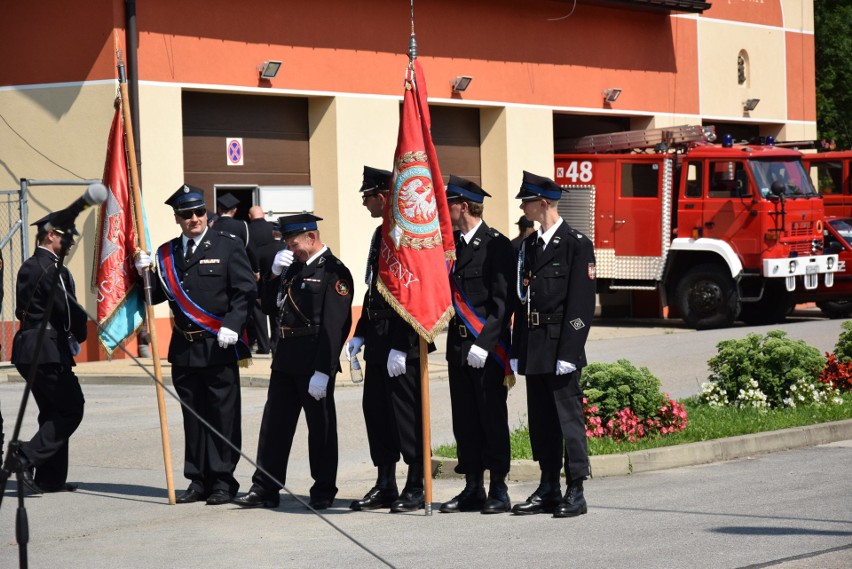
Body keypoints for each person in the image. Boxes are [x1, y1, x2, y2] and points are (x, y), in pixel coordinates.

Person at [134, 184, 256, 505]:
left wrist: (233, 323)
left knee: (222, 417)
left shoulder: (227, 246)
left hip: (218, 346)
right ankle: (198, 479)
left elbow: (245, 290)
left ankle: (222, 480)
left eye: (199, 212)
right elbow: (156, 296)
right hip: (184, 349)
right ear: (177, 218)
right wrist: (142, 274)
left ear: (207, 213)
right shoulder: (168, 253)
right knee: (193, 417)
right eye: (186, 215)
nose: (194, 219)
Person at [233, 213, 353, 510]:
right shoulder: (292, 267)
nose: (289, 249)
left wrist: (323, 371)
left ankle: (324, 489)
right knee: (274, 425)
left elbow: (334, 326)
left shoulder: (334, 272)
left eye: (293, 242)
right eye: (286, 243)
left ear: (311, 238)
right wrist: (272, 275)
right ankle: (265, 487)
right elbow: (270, 307)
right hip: (285, 357)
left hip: (314, 361)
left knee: (321, 429)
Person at [510, 171, 597, 518]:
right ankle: (549, 485)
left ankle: (575, 488)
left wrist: (570, 352)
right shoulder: (530, 246)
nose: (522, 205)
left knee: (568, 420)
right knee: (542, 421)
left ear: (542, 203)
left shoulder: (576, 243)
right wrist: (518, 349)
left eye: (526, 200)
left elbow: (581, 305)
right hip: (534, 345)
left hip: (561, 345)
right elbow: (523, 301)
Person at [345, 166, 429, 513]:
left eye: (367, 197)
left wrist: (402, 342)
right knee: (377, 413)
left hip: (401, 343)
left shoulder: (407, 236)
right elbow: (375, 288)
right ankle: (385, 483)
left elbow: (414, 293)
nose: (364, 204)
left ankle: (416, 482)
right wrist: (360, 331)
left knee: (406, 416)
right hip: (378, 338)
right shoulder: (382, 234)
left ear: (382, 196)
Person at [440, 175, 516, 514]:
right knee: (465, 420)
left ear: (463, 206)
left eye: (449, 204)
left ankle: (498, 487)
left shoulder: (496, 244)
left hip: (487, 350)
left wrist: (484, 344)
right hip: (457, 348)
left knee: (491, 417)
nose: (446, 209)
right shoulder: (451, 245)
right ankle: (473, 485)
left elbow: (503, 302)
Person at [9, 213, 88, 494]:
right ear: (51, 235)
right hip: (47, 349)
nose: (71, 241)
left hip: (30, 348)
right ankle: (24, 457)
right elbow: (67, 311)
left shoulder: (30, 265)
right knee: (71, 408)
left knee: (53, 411)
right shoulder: (52, 268)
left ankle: (49, 478)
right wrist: (81, 333)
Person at [246, 206, 277, 355]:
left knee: (258, 312)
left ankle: (263, 346)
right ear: (263, 214)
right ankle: (275, 345)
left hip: (255, 274)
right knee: (276, 311)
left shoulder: (247, 229)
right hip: (274, 273)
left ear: (250, 216)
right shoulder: (272, 227)